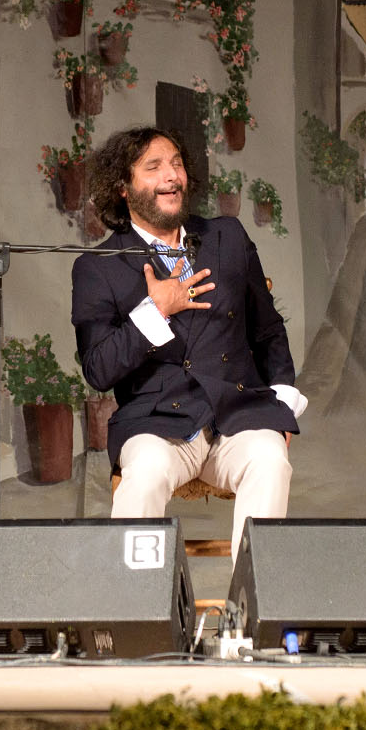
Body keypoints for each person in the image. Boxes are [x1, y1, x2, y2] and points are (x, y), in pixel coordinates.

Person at [71, 126, 305, 555]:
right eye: (154, 167)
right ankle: (130, 615)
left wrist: (283, 403)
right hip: (157, 424)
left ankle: (250, 611)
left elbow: (267, 327)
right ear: (123, 188)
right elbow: (98, 370)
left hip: (238, 414)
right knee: (143, 477)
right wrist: (155, 311)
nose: (171, 175)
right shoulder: (99, 266)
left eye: (176, 163)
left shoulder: (226, 236)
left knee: (270, 461)